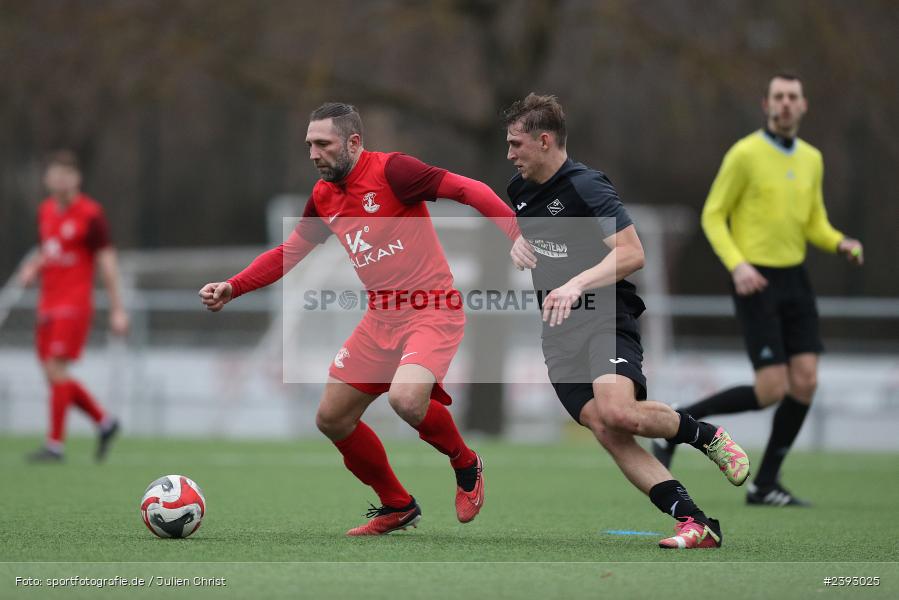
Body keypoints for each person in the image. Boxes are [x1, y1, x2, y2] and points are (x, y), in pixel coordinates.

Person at [200, 102, 520, 535]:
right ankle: (398, 504)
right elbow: (288, 253)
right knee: (331, 419)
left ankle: (466, 464)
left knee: (406, 400)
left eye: (323, 144)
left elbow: (469, 189)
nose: (314, 153)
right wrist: (232, 286)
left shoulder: (394, 172)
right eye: (309, 144)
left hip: (432, 309)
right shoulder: (323, 196)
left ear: (353, 142)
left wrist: (516, 234)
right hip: (380, 318)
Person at [504, 93, 750, 549]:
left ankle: (707, 435)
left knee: (618, 411)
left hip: (604, 317)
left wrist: (577, 284)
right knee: (606, 427)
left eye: (516, 144)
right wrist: (516, 243)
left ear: (544, 141)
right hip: (559, 336)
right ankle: (697, 522)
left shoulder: (587, 186)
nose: (510, 154)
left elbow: (633, 253)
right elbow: (532, 234)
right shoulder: (518, 192)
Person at [652, 73, 863, 507]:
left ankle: (765, 483)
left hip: (795, 280)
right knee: (771, 389)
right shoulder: (745, 154)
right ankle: (679, 419)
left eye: (793, 98)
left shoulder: (812, 159)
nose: (785, 104)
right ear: (766, 104)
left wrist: (839, 240)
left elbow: (814, 223)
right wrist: (738, 264)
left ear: (803, 106)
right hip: (756, 281)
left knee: (805, 382)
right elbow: (713, 215)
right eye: (778, 97)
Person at [20, 150, 127, 462]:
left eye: (67, 175)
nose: (61, 180)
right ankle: (105, 423)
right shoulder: (46, 212)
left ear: (77, 179)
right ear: (47, 179)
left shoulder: (91, 214)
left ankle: (54, 445)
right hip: (48, 303)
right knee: (54, 376)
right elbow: (48, 250)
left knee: (56, 369)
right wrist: (33, 268)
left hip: (74, 303)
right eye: (55, 174)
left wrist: (118, 308)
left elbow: (107, 261)